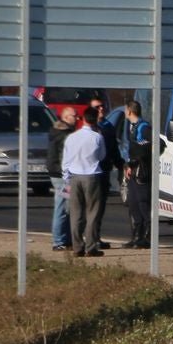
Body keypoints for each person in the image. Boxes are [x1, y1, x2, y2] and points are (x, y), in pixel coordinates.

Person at [62, 103, 106, 257]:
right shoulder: (97, 137)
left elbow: (65, 161)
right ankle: (91, 246)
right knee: (92, 212)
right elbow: (101, 156)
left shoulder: (72, 137)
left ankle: (77, 246)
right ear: (95, 120)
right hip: (92, 175)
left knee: (76, 213)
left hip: (74, 176)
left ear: (83, 119)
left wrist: (66, 179)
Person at [90, 97, 123, 250]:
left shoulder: (108, 126)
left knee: (100, 207)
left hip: (104, 172)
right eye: (97, 107)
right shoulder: (88, 127)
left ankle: (95, 236)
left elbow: (113, 150)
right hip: (89, 173)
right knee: (89, 208)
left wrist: (121, 166)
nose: (101, 109)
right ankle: (88, 238)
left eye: (102, 106)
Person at [123, 100, 153, 248]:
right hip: (132, 172)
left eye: (125, 110)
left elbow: (154, 147)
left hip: (142, 172)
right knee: (133, 203)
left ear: (129, 111)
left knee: (143, 203)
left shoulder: (144, 128)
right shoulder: (131, 127)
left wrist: (138, 160)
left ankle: (147, 238)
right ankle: (136, 236)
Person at [46, 106, 77, 251]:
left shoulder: (58, 132)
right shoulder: (64, 135)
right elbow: (62, 157)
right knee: (62, 207)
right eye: (73, 116)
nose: (76, 118)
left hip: (59, 173)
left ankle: (66, 239)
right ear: (65, 118)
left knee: (67, 207)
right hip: (62, 176)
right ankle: (58, 241)